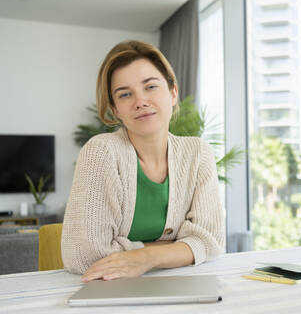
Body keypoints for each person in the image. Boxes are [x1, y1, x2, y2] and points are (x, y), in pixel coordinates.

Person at [61, 40, 225, 282]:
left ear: (172, 93)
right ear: (116, 109)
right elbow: (83, 256)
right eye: (125, 94)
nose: (140, 101)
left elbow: (211, 241)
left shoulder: (198, 153)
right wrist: (176, 248)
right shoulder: (101, 152)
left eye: (150, 87)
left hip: (180, 283)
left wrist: (147, 258)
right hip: (110, 288)